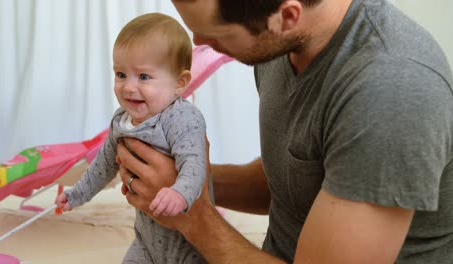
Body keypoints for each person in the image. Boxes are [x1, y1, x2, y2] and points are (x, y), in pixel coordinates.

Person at [117, 0, 453, 263]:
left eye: (217, 33)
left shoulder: (391, 90)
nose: (199, 42)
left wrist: (194, 216)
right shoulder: (282, 46)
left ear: (287, 17)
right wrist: (182, 180)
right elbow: (294, 178)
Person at [56, 12, 212, 263]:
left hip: (187, 244)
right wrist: (77, 194)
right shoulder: (121, 121)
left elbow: (195, 164)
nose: (128, 87)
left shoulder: (183, 119)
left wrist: (180, 193)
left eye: (143, 77)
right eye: (121, 75)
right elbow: (103, 165)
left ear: (179, 82)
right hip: (146, 240)